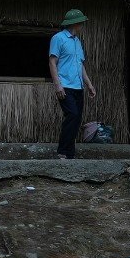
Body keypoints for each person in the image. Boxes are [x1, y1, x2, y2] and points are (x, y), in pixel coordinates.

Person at [50, 8, 90, 160]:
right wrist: (57, 85)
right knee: (72, 115)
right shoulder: (58, 38)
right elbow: (52, 62)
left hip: (78, 86)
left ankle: (70, 154)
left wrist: (89, 84)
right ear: (76, 23)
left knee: (77, 118)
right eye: (81, 23)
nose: (82, 25)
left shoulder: (77, 41)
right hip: (65, 85)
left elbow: (80, 65)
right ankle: (62, 151)